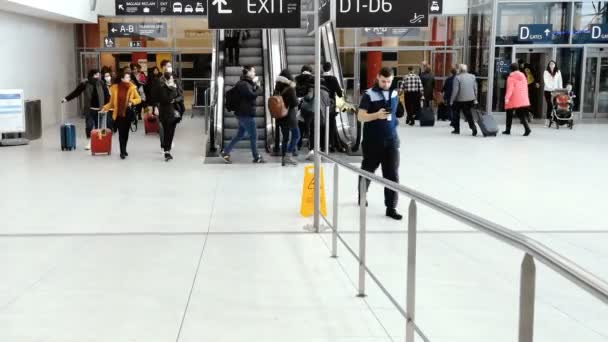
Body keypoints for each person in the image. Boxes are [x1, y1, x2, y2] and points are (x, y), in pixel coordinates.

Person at [357, 67, 405, 221]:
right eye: (383, 81)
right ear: (378, 77)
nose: (386, 84)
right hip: (372, 141)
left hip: (391, 140)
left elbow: (397, 113)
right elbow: (361, 117)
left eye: (389, 81)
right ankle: (362, 195)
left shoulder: (395, 93)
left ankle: (391, 207)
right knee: (367, 171)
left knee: (392, 174)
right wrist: (377, 115)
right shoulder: (369, 94)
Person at [221, 65, 265, 164]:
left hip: (243, 113)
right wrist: (258, 86)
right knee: (254, 135)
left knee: (240, 134)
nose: (254, 73)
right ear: (248, 72)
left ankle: (225, 151)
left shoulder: (246, 83)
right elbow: (252, 95)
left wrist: (254, 85)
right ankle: (256, 156)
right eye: (253, 71)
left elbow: (249, 94)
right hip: (245, 114)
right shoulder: (243, 84)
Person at [61, 69, 107, 151]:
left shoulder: (102, 83)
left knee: (100, 127)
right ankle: (90, 142)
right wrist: (66, 99)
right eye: (97, 75)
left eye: (99, 75)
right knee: (89, 126)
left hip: (101, 109)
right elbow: (76, 92)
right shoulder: (85, 84)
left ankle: (101, 142)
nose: (98, 77)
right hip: (89, 109)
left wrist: (108, 106)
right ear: (92, 75)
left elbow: (106, 95)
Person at [102, 71, 142, 159]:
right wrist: (104, 108)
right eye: (127, 77)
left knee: (126, 133)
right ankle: (122, 151)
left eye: (129, 77)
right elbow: (112, 103)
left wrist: (132, 101)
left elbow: (139, 99)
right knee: (121, 134)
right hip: (118, 114)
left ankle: (124, 149)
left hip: (127, 113)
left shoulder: (132, 87)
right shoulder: (115, 88)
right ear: (122, 79)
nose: (128, 79)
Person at [273, 69, 300, 166]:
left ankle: (284, 159)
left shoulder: (277, 88)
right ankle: (288, 156)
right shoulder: (290, 89)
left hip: (280, 117)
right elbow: (294, 103)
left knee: (285, 138)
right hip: (290, 117)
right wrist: (298, 100)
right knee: (296, 135)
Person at [157, 72, 183, 161]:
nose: (173, 80)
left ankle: (168, 150)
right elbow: (167, 99)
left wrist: (174, 99)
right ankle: (166, 151)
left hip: (174, 113)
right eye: (171, 79)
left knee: (171, 133)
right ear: (167, 80)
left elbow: (179, 97)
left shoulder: (174, 87)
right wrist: (172, 89)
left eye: (172, 78)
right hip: (165, 113)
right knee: (167, 132)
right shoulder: (162, 88)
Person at [450, 64, 479, 136]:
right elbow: (475, 88)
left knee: (456, 114)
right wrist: (475, 98)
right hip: (470, 99)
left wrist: (451, 100)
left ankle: (457, 129)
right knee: (468, 114)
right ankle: (473, 127)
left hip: (459, 99)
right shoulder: (472, 76)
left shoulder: (457, 78)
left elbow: (455, 90)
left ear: (459, 70)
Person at [503, 63, 532, 136]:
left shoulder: (511, 77)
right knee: (521, 115)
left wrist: (507, 98)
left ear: (511, 69)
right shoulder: (523, 76)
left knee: (509, 114)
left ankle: (507, 130)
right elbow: (525, 87)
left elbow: (510, 89)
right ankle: (527, 129)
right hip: (522, 98)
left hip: (513, 98)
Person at [322, 62, 344, 152]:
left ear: (323, 69)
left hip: (321, 104)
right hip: (330, 105)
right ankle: (332, 145)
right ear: (330, 69)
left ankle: (324, 145)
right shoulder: (333, 79)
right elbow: (339, 93)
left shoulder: (319, 78)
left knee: (322, 125)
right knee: (331, 124)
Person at [543, 60, 563, 126]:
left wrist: (560, 89)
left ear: (555, 65)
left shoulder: (558, 72)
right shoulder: (546, 72)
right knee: (550, 105)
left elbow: (560, 81)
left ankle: (555, 119)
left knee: (556, 105)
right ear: (549, 65)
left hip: (556, 91)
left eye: (553, 64)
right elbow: (546, 81)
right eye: (550, 64)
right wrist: (551, 88)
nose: (552, 65)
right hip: (547, 90)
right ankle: (547, 119)